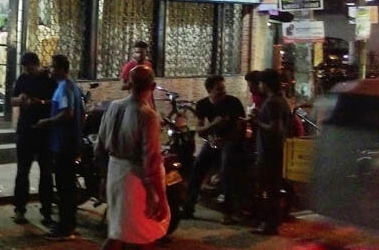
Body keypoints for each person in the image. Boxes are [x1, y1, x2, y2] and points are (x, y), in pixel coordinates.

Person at [96, 65, 169, 249]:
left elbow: (99, 147)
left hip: (115, 173)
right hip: (136, 181)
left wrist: (104, 176)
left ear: (128, 84)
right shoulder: (147, 115)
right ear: (152, 87)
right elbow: (151, 159)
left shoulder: (114, 107)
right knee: (143, 235)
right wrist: (158, 195)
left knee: (118, 233)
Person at [33, 54, 84, 240]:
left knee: (64, 188)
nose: (50, 70)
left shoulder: (64, 88)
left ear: (62, 69)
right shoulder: (71, 87)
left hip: (64, 145)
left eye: (53, 67)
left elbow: (67, 114)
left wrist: (46, 122)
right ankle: (69, 224)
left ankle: (65, 227)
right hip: (68, 143)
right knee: (67, 187)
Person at [184, 75, 245, 224]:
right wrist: (213, 128)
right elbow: (199, 130)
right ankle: (188, 207)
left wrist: (226, 139)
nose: (223, 91)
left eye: (223, 88)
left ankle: (227, 213)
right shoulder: (202, 105)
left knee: (226, 170)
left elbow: (240, 128)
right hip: (213, 141)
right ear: (210, 90)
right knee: (197, 167)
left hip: (230, 141)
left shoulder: (233, 102)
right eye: (219, 89)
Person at [11, 52, 57, 225]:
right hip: (25, 131)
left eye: (29, 68)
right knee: (22, 172)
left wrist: (40, 102)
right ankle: (19, 209)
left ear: (36, 64)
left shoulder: (49, 79)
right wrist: (20, 100)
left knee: (46, 173)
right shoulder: (23, 79)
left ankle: (46, 212)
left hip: (44, 131)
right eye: (25, 69)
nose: (27, 71)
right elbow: (12, 100)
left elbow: (56, 102)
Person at [251, 69, 289, 236]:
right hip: (273, 151)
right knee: (272, 188)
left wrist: (257, 122)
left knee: (269, 189)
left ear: (266, 84)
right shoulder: (279, 100)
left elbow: (276, 128)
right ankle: (270, 223)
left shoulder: (274, 102)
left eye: (260, 82)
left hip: (270, 152)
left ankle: (269, 224)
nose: (259, 85)